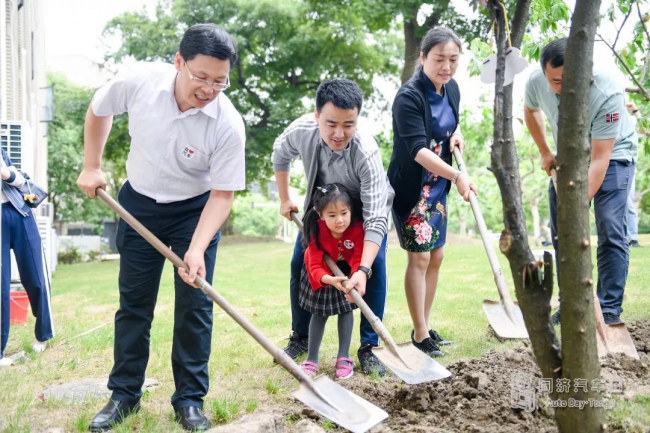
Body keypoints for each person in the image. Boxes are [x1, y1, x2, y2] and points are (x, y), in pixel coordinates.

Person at [76, 24, 245, 432]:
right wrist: (92, 165)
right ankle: (124, 394)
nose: (208, 88)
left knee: (195, 305)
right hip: (138, 202)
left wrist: (197, 248)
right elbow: (99, 109)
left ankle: (189, 400)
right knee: (134, 303)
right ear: (178, 63)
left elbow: (222, 195)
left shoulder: (227, 124)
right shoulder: (139, 82)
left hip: (194, 211)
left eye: (219, 81)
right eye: (200, 77)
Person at [272, 79, 393, 376]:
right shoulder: (302, 131)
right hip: (322, 211)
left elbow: (377, 217)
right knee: (299, 262)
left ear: (357, 120)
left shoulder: (366, 152)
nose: (339, 133)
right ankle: (300, 337)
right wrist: (285, 198)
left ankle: (368, 347)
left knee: (374, 266)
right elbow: (280, 152)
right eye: (331, 124)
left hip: (363, 214)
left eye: (348, 125)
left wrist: (361, 270)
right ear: (316, 117)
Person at [524, 38, 638, 326]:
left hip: (613, 154)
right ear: (545, 73)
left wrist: (577, 202)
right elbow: (531, 110)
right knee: (563, 233)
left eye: (571, 78)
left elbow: (600, 158)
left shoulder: (607, 89)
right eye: (556, 81)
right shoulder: (537, 80)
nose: (563, 86)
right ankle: (571, 303)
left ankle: (609, 309)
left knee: (611, 228)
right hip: (569, 153)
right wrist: (545, 152)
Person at [388, 27, 477, 358]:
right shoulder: (408, 97)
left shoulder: (451, 88)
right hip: (414, 189)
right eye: (439, 59)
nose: (447, 67)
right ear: (423, 57)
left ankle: (424, 325)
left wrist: (457, 136)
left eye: (453, 60)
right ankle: (420, 334)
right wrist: (457, 175)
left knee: (437, 255)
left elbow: (450, 125)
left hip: (438, 187)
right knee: (420, 256)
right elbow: (417, 149)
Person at [299, 184, 362, 380]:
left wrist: (354, 277)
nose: (340, 220)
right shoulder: (315, 231)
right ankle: (312, 358)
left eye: (344, 213)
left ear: (350, 210)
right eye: (332, 215)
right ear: (321, 215)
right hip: (323, 273)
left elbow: (359, 258)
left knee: (346, 310)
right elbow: (315, 266)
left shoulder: (358, 229)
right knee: (319, 314)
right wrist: (329, 279)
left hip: (346, 273)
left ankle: (343, 357)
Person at [1, 149, 54, 367]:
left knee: (35, 278)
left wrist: (6, 174)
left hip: (19, 213)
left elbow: (18, 178)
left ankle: (43, 334)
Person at [626, 101, 644, 248]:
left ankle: (632, 237)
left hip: (628, 167)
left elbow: (645, 130)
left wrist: (635, 110)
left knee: (628, 203)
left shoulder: (631, 120)